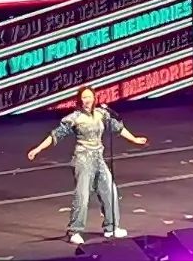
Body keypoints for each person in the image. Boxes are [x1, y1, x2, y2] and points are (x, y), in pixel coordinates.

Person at [27, 87, 148, 245]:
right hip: (83, 160)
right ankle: (75, 231)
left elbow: (118, 127)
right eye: (84, 97)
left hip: (99, 158)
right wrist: (38, 149)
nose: (87, 100)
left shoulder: (102, 114)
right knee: (82, 196)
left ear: (94, 98)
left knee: (110, 191)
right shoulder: (74, 118)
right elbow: (55, 135)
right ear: (80, 100)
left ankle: (112, 227)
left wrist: (134, 139)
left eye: (89, 97)